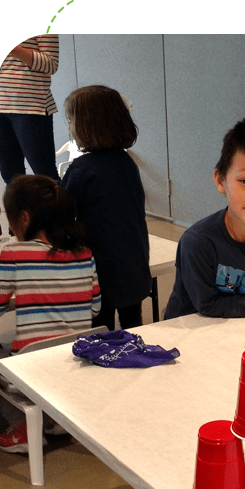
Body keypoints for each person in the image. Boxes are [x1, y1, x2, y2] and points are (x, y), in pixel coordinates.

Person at [0, 175, 101, 452]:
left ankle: (27, 429)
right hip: (77, 365)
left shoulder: (13, 254)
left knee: (1, 353)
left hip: (32, 376)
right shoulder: (84, 252)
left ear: (25, 218)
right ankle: (56, 420)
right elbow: (95, 306)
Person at [164, 117, 245, 319]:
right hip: (188, 328)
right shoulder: (198, 242)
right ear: (220, 180)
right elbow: (207, 305)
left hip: (240, 325)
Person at [61, 85, 151, 330]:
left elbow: (62, 215)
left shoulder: (81, 170)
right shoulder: (127, 163)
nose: (69, 128)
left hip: (100, 267)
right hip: (134, 262)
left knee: (100, 330)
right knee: (134, 326)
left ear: (88, 125)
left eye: (71, 121)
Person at [0, 35, 60, 184]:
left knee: (45, 176)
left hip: (31, 107)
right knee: (10, 177)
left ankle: (58, 208)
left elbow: (51, 65)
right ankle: (20, 208)